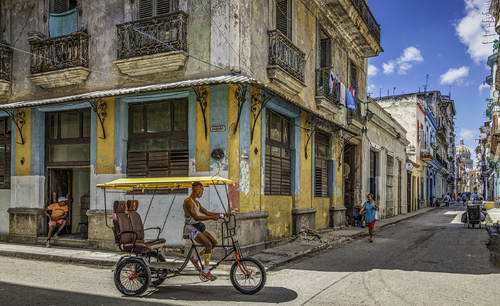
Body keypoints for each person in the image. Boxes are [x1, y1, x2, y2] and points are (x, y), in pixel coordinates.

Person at [183, 182, 226, 281]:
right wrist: (211, 218)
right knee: (208, 245)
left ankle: (194, 259)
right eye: (202, 191)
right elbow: (196, 217)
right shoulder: (188, 202)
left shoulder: (197, 203)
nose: (202, 194)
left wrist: (221, 214)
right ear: (197, 190)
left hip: (197, 227)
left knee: (214, 243)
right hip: (190, 228)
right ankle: (206, 271)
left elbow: (206, 212)